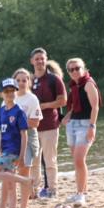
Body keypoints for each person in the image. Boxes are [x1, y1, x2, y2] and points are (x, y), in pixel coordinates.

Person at [59, 58, 99, 207]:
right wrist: (67, 118)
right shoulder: (74, 86)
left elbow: (95, 107)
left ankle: (81, 195)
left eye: (77, 68)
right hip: (73, 125)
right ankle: (81, 191)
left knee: (79, 160)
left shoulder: (88, 84)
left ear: (83, 68)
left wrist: (92, 126)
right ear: (68, 72)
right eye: (71, 69)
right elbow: (75, 106)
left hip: (85, 125)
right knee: (77, 161)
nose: (75, 71)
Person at [0, 78, 31, 208]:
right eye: (6, 91)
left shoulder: (18, 111)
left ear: (16, 92)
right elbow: (1, 133)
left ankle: (24, 180)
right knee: (10, 186)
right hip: (4, 150)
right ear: (1, 94)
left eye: (12, 91)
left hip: (13, 151)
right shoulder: (1, 111)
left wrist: (22, 155)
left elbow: (24, 134)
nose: (10, 94)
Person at [30, 49, 67, 199]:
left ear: (46, 60)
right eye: (37, 59)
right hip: (32, 127)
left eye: (42, 59)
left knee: (50, 160)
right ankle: (34, 190)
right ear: (31, 61)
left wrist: (44, 106)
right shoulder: (29, 80)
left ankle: (52, 190)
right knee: (34, 161)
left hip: (50, 125)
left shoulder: (54, 79)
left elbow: (63, 100)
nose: (39, 61)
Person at [9, 68, 42, 208]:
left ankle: (24, 206)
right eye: (18, 80)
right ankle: (11, 203)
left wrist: (16, 122)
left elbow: (35, 123)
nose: (21, 83)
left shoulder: (32, 99)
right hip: (11, 137)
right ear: (13, 81)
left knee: (24, 170)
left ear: (29, 82)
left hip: (28, 137)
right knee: (10, 171)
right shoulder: (9, 98)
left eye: (25, 80)